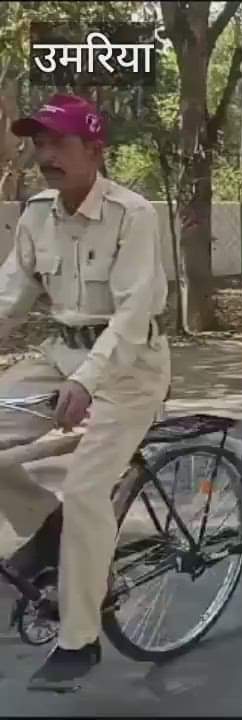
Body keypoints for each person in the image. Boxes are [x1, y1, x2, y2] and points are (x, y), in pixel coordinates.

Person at [0, 94, 170, 690]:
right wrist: (70, 374)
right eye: (39, 143)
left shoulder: (132, 215)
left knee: (86, 489)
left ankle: (80, 638)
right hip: (59, 359)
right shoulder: (36, 214)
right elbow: (9, 299)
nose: (45, 155)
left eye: (59, 143)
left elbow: (131, 316)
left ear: (95, 151)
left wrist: (86, 380)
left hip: (128, 370)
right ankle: (49, 527)